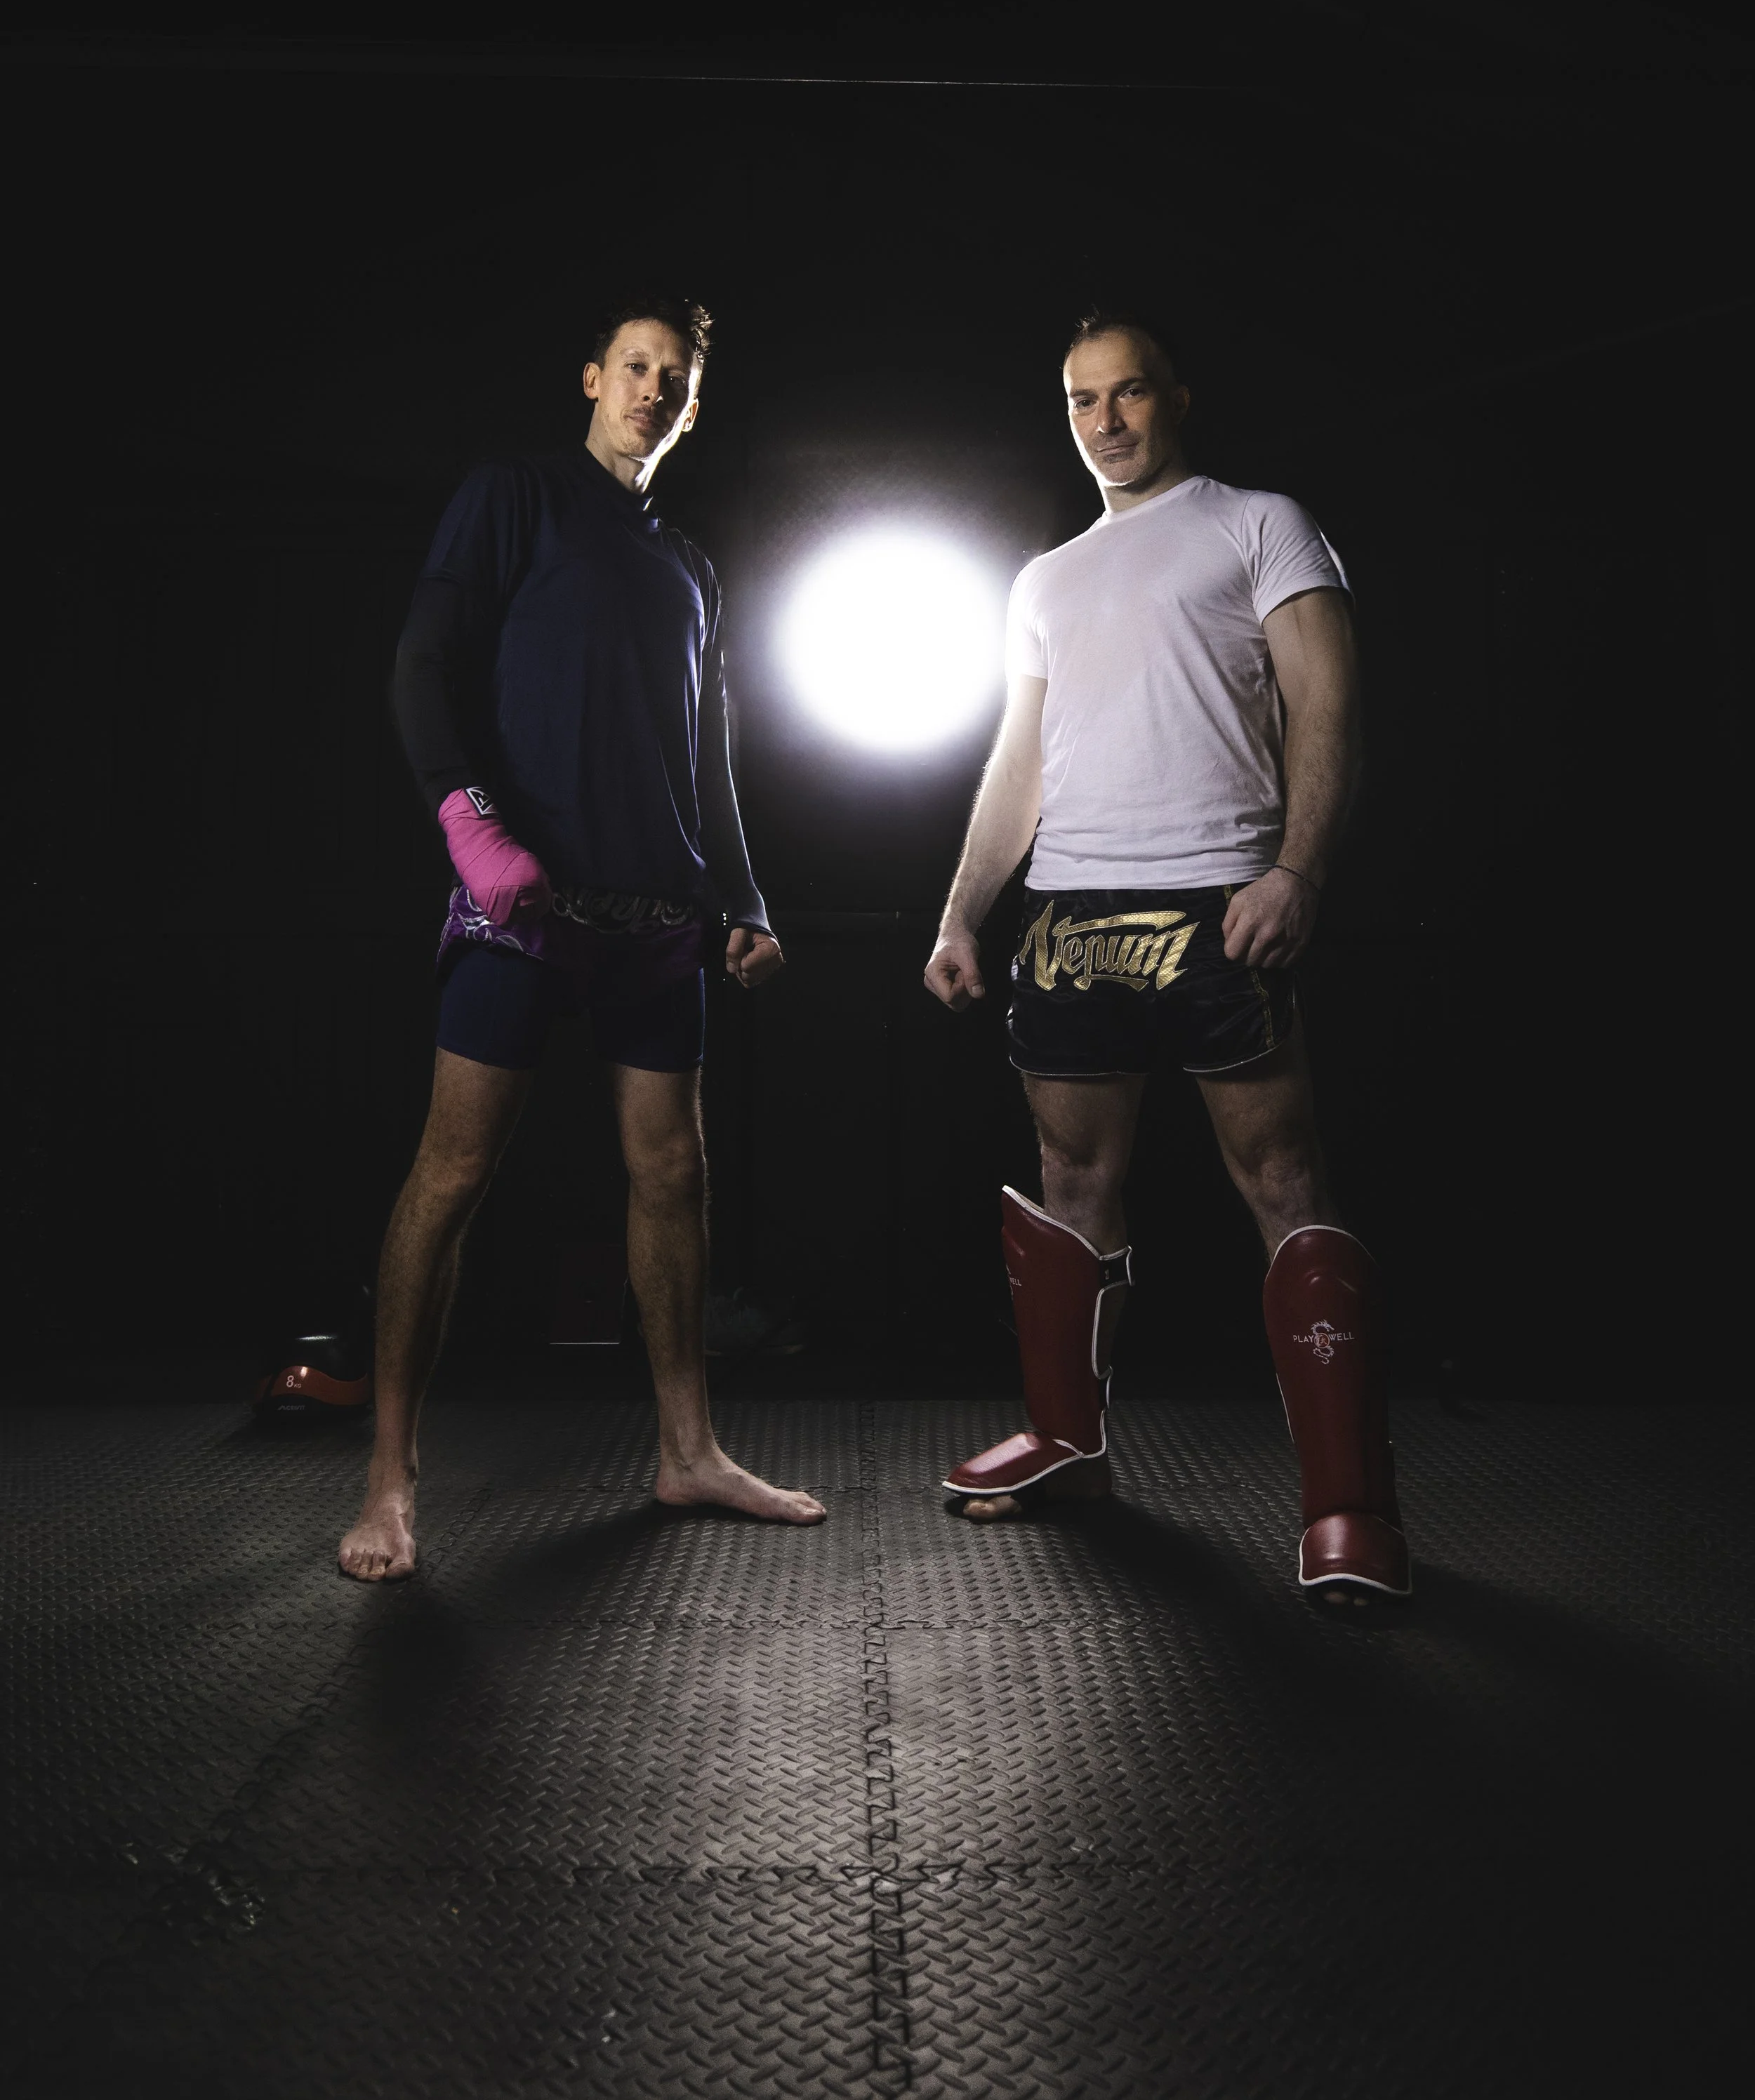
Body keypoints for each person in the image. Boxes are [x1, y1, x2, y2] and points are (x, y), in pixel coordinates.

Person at [922, 314, 1409, 1605]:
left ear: (1175, 397)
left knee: (1285, 1178)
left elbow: (1330, 704)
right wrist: (962, 913)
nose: (1106, 419)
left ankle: (1351, 1507)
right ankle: (1070, 1448)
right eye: (1083, 399)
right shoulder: (1045, 578)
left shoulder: (1259, 522)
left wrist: (1295, 870)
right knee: (1070, 1183)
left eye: (1128, 391)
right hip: (1071, 914)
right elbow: (1019, 760)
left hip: (1219, 898)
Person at [340, 299, 826, 1579]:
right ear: (594, 379)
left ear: (693, 406)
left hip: (659, 913)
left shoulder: (691, 564)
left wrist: (746, 896)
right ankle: (389, 1480)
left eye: (677, 378)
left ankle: (687, 1449)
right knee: (451, 1173)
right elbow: (420, 662)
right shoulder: (516, 495)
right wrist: (470, 825)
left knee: (675, 1175)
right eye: (636, 367)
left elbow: (704, 753)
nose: (653, 388)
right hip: (525, 901)